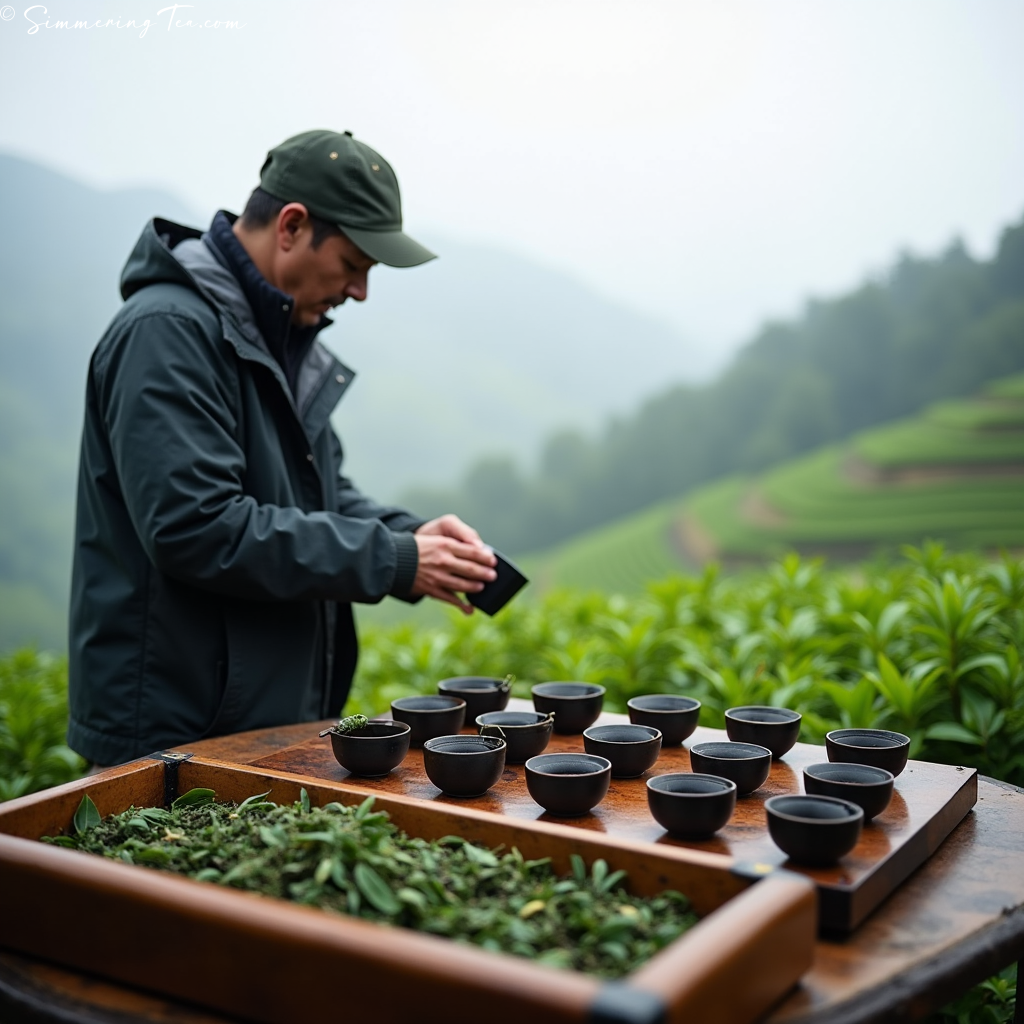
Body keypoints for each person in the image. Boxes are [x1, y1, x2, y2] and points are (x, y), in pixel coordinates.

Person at [67, 129, 497, 768]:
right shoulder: (168, 333)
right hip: (177, 740)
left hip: (260, 727)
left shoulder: (283, 341)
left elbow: (321, 494)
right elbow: (198, 526)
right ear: (292, 226)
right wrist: (393, 559)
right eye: (354, 265)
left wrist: (411, 537)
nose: (360, 292)